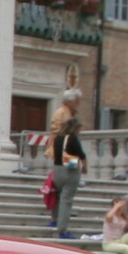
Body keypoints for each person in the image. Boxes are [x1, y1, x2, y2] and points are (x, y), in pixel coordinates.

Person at [48, 88, 86, 238]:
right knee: (66, 198)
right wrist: (84, 166)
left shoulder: (58, 138)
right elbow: (81, 154)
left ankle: (54, 219)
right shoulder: (71, 135)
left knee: (58, 195)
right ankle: (62, 229)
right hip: (69, 167)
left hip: (58, 166)